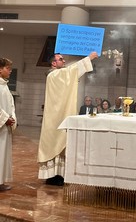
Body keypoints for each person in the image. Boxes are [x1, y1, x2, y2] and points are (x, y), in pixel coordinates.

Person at [37, 52, 98, 186]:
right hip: (54, 118)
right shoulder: (53, 75)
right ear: (53, 63)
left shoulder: (58, 75)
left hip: (60, 115)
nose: (64, 61)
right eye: (61, 59)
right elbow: (71, 70)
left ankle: (59, 174)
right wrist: (89, 58)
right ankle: (52, 176)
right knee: (54, 142)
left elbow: (70, 72)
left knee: (62, 142)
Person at [0, 58, 17, 191]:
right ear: (0, 69)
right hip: (1, 125)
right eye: (8, 68)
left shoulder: (4, 85)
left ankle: (0, 181)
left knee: (3, 154)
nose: (10, 71)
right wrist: (5, 118)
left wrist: (12, 117)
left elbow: (10, 105)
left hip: (5, 127)